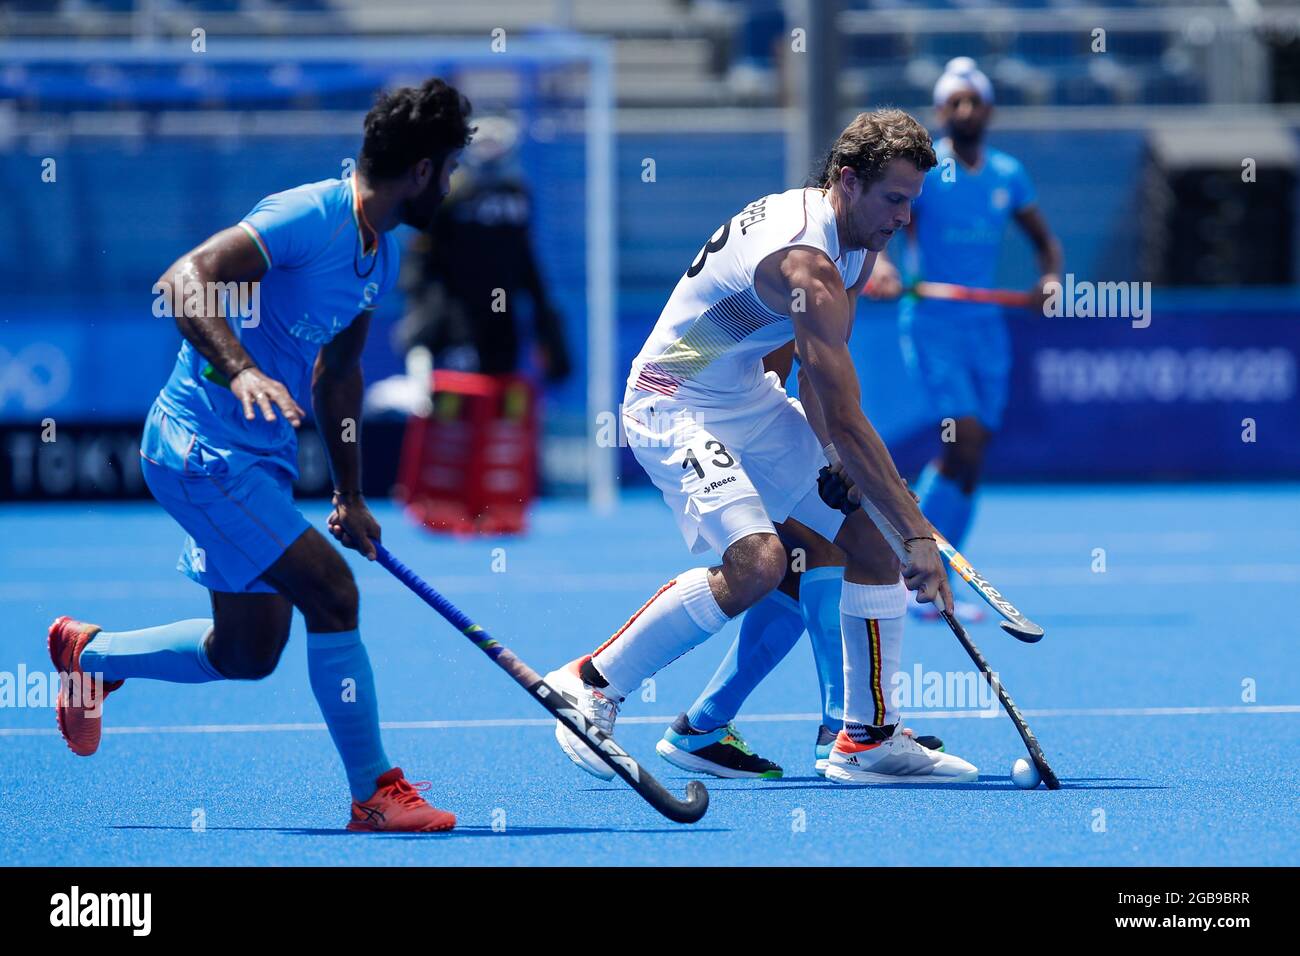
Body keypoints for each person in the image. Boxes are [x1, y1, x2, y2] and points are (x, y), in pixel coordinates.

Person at [46, 78, 475, 832]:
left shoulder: (377, 255)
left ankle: (95, 656)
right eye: (448, 167)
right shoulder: (310, 216)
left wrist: (352, 495)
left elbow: (336, 376)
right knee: (334, 595)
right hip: (200, 450)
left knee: (247, 651)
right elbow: (183, 280)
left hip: (257, 459)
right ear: (421, 172)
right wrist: (241, 369)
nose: (451, 182)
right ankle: (374, 793)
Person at [543, 108, 979, 786]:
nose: (904, 217)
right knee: (760, 563)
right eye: (895, 198)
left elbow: (801, 366)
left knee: (867, 542)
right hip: (671, 397)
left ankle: (866, 741)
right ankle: (590, 683)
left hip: (740, 390)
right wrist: (919, 532)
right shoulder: (805, 261)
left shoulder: (856, 242)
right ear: (848, 181)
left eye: (912, 202)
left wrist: (844, 473)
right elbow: (843, 411)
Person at [868, 57, 1063, 621]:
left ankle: (935, 577)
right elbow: (887, 220)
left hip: (986, 328)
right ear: (940, 111)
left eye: (974, 100)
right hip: (933, 324)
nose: (965, 110)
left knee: (972, 457)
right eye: (954, 101)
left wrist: (1049, 280)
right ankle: (912, 572)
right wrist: (880, 264)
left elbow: (1045, 244)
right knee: (965, 438)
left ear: (989, 109)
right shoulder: (928, 173)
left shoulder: (1008, 174)